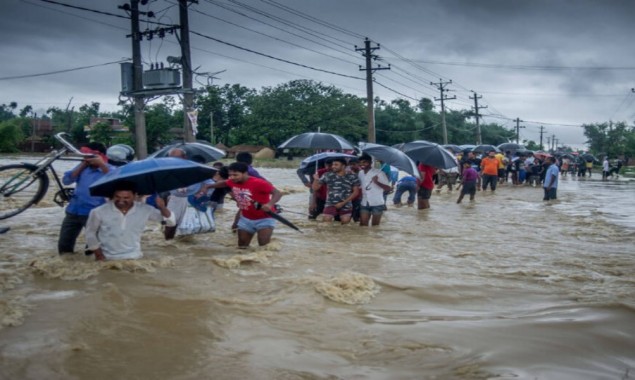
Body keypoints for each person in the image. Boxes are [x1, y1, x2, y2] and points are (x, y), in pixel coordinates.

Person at [85, 181, 175, 261]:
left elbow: (170, 222)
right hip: (107, 258)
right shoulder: (98, 211)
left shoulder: (145, 209)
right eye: (117, 197)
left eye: (126, 198)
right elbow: (90, 233)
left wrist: (162, 208)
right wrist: (99, 254)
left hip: (134, 257)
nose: (121, 201)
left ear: (135, 196)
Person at [198, 162, 283, 247]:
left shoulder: (259, 183)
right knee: (242, 246)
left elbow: (277, 193)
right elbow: (224, 183)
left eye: (235, 175)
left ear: (245, 173)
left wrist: (269, 204)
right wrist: (208, 186)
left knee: (263, 245)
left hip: (265, 218)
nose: (232, 177)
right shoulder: (232, 181)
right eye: (230, 175)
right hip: (246, 219)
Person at [58, 142, 113, 254]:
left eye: (89, 156)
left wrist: (102, 165)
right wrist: (83, 165)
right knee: (64, 244)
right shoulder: (84, 168)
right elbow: (67, 180)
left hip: (93, 213)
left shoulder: (109, 169)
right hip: (73, 211)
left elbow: (117, 180)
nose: (86, 158)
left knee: (93, 248)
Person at [312, 157, 360, 224]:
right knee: (326, 222)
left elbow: (356, 192)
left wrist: (342, 203)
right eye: (333, 164)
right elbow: (315, 188)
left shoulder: (352, 176)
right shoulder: (327, 175)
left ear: (343, 166)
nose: (333, 166)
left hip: (346, 204)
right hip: (330, 203)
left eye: (336, 165)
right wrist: (316, 179)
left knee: (345, 223)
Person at [357, 154, 391, 226]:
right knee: (363, 225)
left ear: (370, 163)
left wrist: (377, 182)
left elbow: (388, 188)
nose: (362, 164)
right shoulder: (360, 173)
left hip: (377, 203)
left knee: (375, 226)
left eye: (364, 162)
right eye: (360, 162)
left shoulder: (379, 173)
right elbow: (360, 186)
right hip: (364, 202)